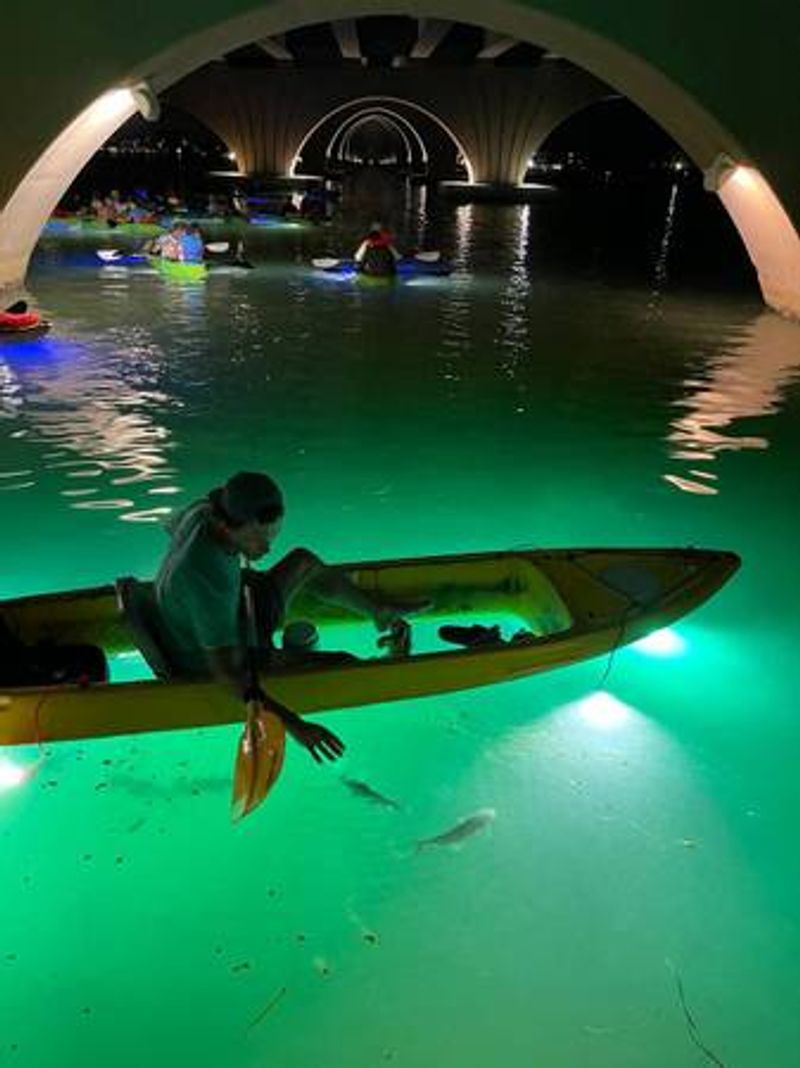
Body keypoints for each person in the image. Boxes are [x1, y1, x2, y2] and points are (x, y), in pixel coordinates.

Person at [153, 472, 415, 764]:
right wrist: (295, 725)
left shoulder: (203, 511)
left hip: (230, 608)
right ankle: (378, 666)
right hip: (202, 654)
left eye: (271, 536)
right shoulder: (206, 576)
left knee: (303, 562)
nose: (267, 548)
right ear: (230, 525)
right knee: (341, 663)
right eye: (258, 538)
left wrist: (237, 559)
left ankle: (378, 612)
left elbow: (170, 526)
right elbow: (226, 674)